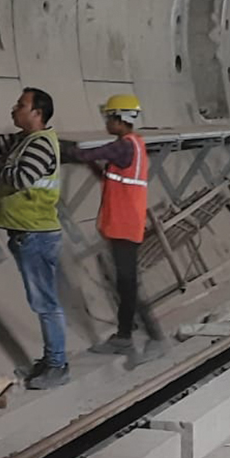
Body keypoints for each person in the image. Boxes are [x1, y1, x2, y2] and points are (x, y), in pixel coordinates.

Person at [0, 87, 69, 390]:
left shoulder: (41, 145)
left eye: (20, 105)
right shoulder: (25, 140)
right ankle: (52, 359)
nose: (14, 109)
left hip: (36, 234)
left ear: (37, 113)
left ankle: (58, 365)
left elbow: (20, 177)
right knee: (43, 301)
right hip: (29, 233)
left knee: (45, 303)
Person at [61, 94, 167, 362]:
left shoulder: (122, 147)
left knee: (129, 283)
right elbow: (107, 173)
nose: (107, 122)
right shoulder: (135, 145)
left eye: (109, 117)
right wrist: (88, 161)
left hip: (123, 225)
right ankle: (124, 334)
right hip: (125, 224)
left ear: (121, 119)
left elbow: (85, 153)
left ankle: (154, 338)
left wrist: (60, 147)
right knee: (124, 281)